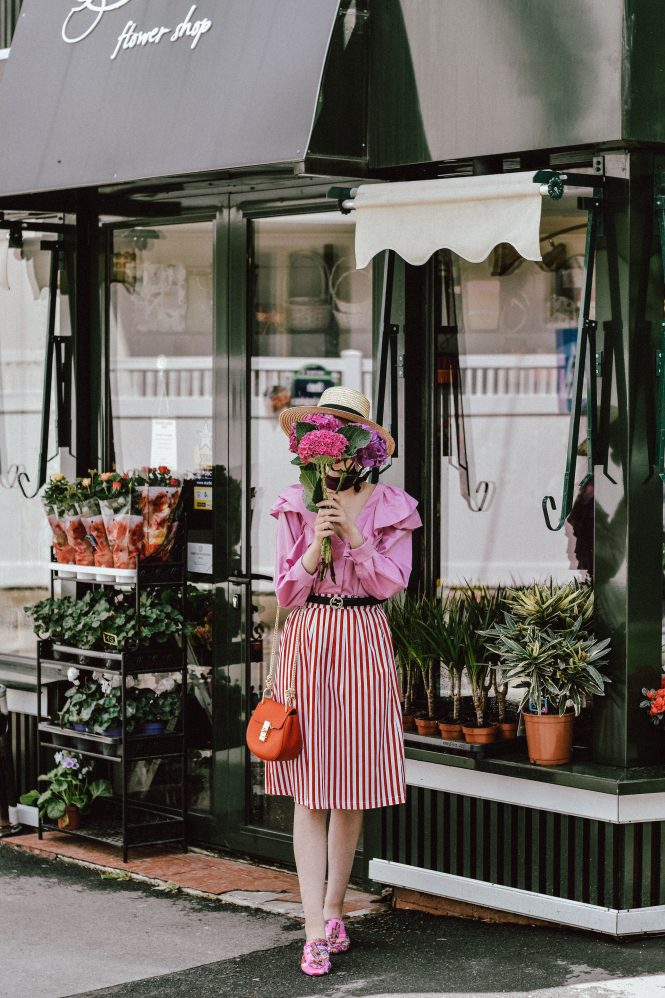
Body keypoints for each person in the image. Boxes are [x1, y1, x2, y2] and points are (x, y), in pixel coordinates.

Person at [267, 386, 421, 977]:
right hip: (309, 641)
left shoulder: (391, 505)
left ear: (364, 445)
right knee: (309, 790)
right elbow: (285, 591)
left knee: (351, 787)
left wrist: (354, 539)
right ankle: (311, 927)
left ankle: (335, 908)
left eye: (345, 434)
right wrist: (314, 547)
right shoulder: (295, 501)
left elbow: (390, 584)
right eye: (322, 434)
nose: (333, 448)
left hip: (362, 639)